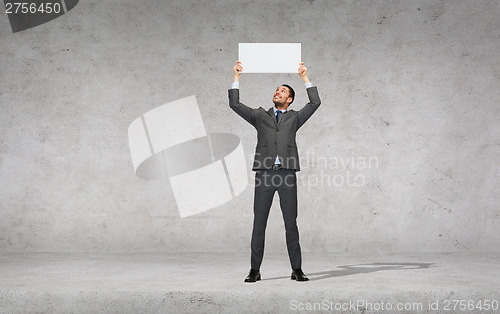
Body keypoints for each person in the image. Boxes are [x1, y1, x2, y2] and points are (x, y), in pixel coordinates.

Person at [228, 60, 321, 282]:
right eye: (277, 90)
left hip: (287, 173)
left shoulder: (295, 117)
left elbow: (315, 102)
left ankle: (296, 269)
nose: (278, 92)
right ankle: (255, 269)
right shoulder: (260, 115)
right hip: (264, 174)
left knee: (291, 223)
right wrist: (237, 77)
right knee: (259, 221)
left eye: (283, 91)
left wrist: (304, 78)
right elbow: (235, 104)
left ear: (289, 99)